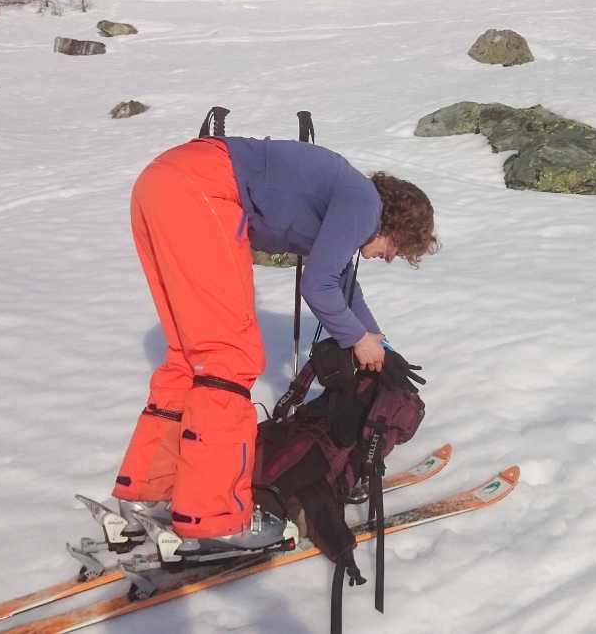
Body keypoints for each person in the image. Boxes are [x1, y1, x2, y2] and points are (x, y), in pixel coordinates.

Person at [110, 135, 438, 550]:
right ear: (395, 225)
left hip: (162, 183)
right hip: (205, 189)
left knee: (188, 359)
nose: (389, 257)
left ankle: (148, 492)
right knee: (229, 359)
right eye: (397, 248)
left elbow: (342, 285)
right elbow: (317, 286)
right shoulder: (363, 205)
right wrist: (357, 340)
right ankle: (214, 517)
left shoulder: (350, 198)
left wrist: (380, 346)